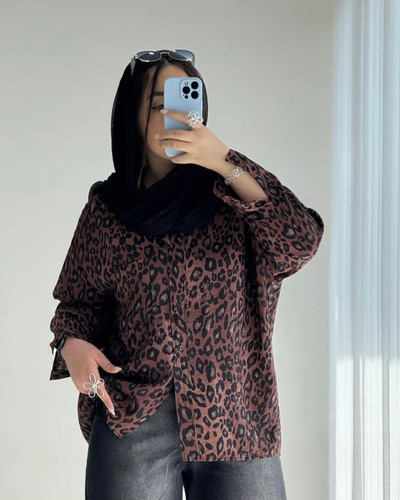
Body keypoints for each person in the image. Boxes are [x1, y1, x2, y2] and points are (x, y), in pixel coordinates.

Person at [49, 49, 324, 500]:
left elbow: (300, 243)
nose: (174, 115)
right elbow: (77, 305)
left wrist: (225, 161)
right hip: (135, 416)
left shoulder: (234, 199)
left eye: (184, 100)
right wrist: (72, 344)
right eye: (159, 104)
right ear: (133, 114)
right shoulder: (108, 209)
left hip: (236, 420)